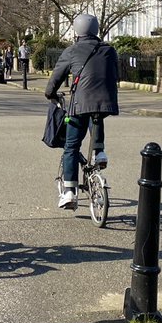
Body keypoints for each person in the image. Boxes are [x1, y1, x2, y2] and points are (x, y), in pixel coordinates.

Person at [44, 14, 119, 209]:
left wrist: (50, 93)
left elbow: (57, 77)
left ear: (77, 31)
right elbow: (115, 73)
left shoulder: (72, 50)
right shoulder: (109, 50)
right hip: (105, 100)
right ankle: (99, 152)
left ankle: (69, 191)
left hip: (80, 103)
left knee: (71, 146)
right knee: (97, 116)